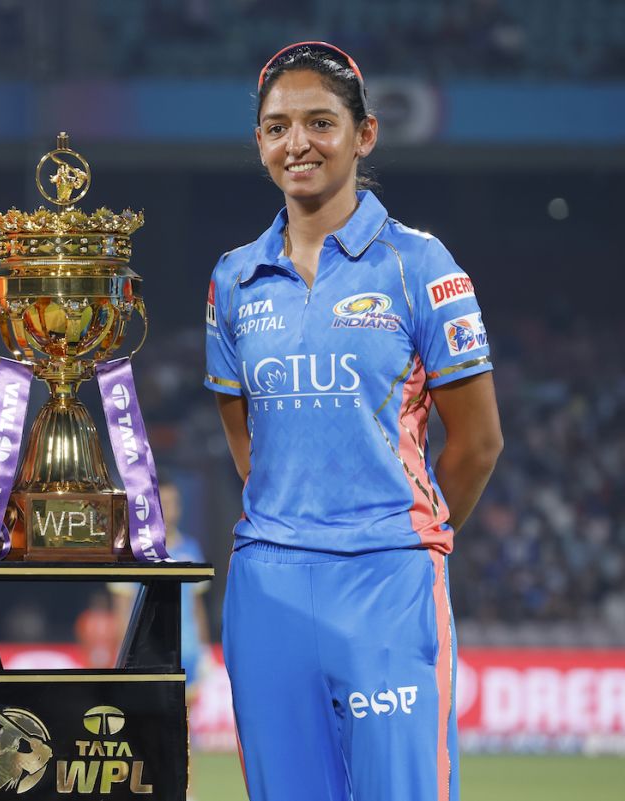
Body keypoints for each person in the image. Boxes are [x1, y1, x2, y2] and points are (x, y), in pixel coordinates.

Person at [204, 42, 502, 801]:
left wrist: (410, 542)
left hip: (388, 581)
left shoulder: (420, 265)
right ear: (260, 142)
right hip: (267, 584)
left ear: (364, 134)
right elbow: (250, 446)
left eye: (319, 122)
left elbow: (478, 443)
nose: (296, 142)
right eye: (276, 127)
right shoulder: (233, 279)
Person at [111, 481, 211, 700]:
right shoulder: (132, 551)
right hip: (147, 651)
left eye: (173, 503)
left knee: (184, 719)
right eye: (163, 503)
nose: (170, 509)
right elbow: (121, 607)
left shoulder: (190, 548)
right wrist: (124, 652)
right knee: (150, 717)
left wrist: (204, 650)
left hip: (188, 650)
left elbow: (197, 606)